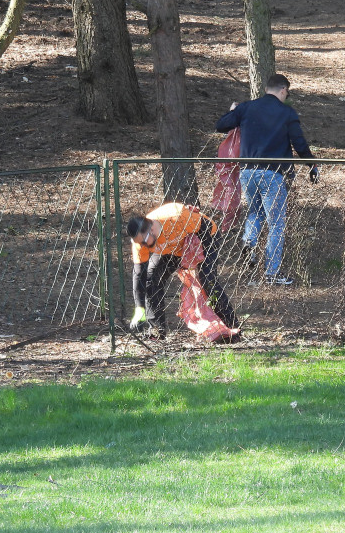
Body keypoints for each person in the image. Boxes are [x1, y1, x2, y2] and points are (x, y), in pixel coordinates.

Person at [214, 73, 319, 286]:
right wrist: (312, 165)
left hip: (248, 172)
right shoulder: (286, 113)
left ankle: (249, 243)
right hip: (274, 173)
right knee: (276, 223)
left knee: (255, 213)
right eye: (286, 92)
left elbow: (221, 125)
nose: (286, 96)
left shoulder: (246, 108)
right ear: (282, 90)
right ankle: (272, 273)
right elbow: (299, 142)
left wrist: (232, 111)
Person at [126, 203, 238, 338]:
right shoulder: (140, 241)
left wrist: (194, 254)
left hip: (203, 237)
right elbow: (139, 274)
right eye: (139, 243)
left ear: (151, 229)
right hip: (172, 249)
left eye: (144, 242)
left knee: (207, 280)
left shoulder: (176, 217)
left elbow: (205, 227)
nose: (142, 246)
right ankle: (156, 331)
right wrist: (139, 308)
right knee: (151, 277)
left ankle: (231, 327)